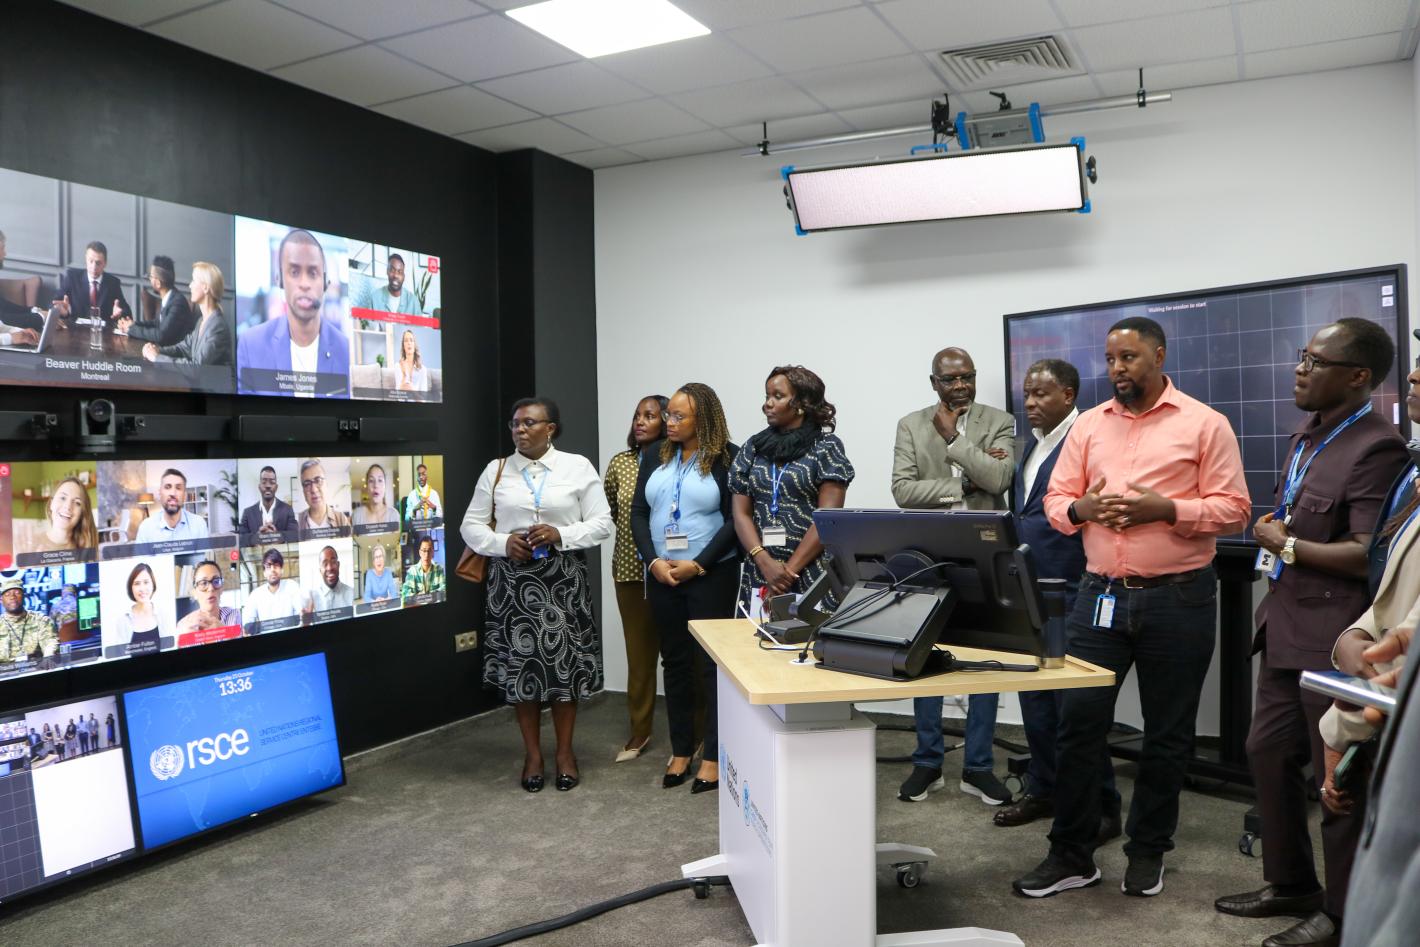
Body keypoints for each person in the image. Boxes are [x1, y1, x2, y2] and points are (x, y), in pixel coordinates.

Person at [1013, 315, 1251, 900]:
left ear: (1159, 357)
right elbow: (1056, 500)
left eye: (1129, 358)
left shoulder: (1205, 423)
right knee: (1078, 727)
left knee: (1167, 736)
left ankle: (1147, 853)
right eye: (1111, 359)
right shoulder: (1090, 426)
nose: (1117, 369)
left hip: (1179, 598)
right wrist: (1085, 509)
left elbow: (1234, 509)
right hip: (1099, 596)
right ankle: (1071, 853)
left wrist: (1166, 510)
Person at [1216, 319, 1407, 947]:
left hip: (1333, 635)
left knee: (1338, 778)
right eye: (1302, 357)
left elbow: (1361, 553)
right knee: (1267, 753)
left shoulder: (1376, 446)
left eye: (1314, 360)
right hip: (1284, 624)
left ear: (1357, 376)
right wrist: (1285, 535)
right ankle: (1290, 882)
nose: (1299, 369)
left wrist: (1287, 543)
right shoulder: (1311, 436)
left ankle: (1342, 913)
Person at [993, 360, 1122, 840]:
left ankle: (1104, 807)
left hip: (1073, 587)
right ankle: (1044, 788)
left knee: (1077, 712)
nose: (1029, 403)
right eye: (1027, 394)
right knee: (1037, 702)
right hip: (1031, 588)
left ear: (1068, 395)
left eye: (1041, 394)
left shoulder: (1087, 437)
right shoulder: (1032, 444)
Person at [461, 397, 612, 793]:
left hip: (563, 582)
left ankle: (564, 753)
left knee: (564, 672)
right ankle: (532, 754)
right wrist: (501, 542)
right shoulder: (496, 471)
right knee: (521, 674)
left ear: (551, 428)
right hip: (511, 584)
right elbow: (470, 527)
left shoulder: (577, 467)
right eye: (514, 424)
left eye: (529, 423)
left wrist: (562, 534)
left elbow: (602, 524)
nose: (520, 430)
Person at [892, 346, 1016, 807]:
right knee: (924, 656)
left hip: (987, 553)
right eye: (950, 380)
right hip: (932, 554)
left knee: (987, 657)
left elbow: (1000, 479)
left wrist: (955, 442)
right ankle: (928, 761)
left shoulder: (1000, 421)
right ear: (934, 384)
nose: (960, 386)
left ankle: (978, 768)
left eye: (967, 377)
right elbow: (903, 490)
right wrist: (968, 479)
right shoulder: (910, 424)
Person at [631, 383, 740, 795]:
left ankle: (713, 754)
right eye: (669, 416)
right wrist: (653, 561)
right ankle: (681, 749)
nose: (669, 423)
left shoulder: (728, 456)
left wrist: (699, 563)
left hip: (711, 574)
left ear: (703, 419)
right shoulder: (653, 455)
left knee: (711, 667)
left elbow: (735, 519)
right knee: (674, 663)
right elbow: (639, 513)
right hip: (662, 575)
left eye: (678, 417)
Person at [731, 365, 854, 615]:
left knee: (805, 649)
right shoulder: (753, 448)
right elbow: (741, 513)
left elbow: (827, 518)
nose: (768, 403)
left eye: (778, 396)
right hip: (760, 570)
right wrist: (763, 561)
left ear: (802, 403)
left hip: (811, 570)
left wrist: (787, 573)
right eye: (766, 396)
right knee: (750, 648)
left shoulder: (826, 448)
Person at [603, 394, 668, 762]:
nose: (640, 422)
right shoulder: (621, 464)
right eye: (637, 415)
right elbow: (615, 511)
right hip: (630, 570)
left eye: (650, 415)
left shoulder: (679, 461)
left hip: (676, 572)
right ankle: (640, 732)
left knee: (684, 657)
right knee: (640, 657)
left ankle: (696, 733)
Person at [235, 228, 349, 395]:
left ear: (325, 282)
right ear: (280, 280)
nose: (304, 283)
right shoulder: (251, 346)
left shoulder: (346, 351)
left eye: (313, 272)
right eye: (294, 272)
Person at [142, 261, 232, 366]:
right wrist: (156, 350)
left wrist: (157, 358)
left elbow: (197, 367)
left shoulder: (218, 327)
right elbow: (183, 348)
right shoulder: (202, 321)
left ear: (206, 288)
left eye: (194, 280)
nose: (190, 285)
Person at [49, 240, 131, 328]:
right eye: (90, 261)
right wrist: (65, 312)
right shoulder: (72, 278)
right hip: (76, 333)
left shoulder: (112, 283)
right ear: (86, 259)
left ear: (105, 263)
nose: (94, 267)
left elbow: (127, 314)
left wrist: (119, 314)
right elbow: (52, 306)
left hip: (103, 335)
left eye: (98, 263)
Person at [119, 254, 195, 346]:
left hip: (174, 355)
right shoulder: (169, 297)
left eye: (151, 277)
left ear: (158, 283)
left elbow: (161, 335)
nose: (149, 279)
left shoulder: (178, 303)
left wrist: (130, 329)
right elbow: (158, 323)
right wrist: (134, 324)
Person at [25, 476, 97, 554]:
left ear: (82, 512)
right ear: (51, 504)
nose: (68, 506)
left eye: (77, 503)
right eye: (62, 498)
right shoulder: (29, 545)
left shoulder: (91, 546)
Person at [135, 468, 208, 543]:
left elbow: (202, 555)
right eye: (167, 487)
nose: (173, 493)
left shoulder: (199, 524)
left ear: (185, 496)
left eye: (178, 488)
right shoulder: (146, 527)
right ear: (160, 493)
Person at [0, 575, 58, 666]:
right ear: (1, 600)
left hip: (35, 670)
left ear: (24, 596)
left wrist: (48, 658)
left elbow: (50, 642)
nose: (12, 597)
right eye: (7, 594)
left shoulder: (41, 620)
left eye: (17, 593)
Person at [241, 548, 304, 628]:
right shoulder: (256, 594)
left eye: (276, 566)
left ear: (282, 570)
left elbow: (302, 614)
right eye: (268, 566)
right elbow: (247, 622)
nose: (272, 570)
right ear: (264, 573)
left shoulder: (292, 586)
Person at [175, 560, 239, 636]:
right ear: (194, 592)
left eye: (216, 581)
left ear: (221, 588)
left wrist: (226, 633)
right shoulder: (183, 626)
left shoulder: (236, 616)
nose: (211, 588)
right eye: (203, 583)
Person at [119, 562, 167, 655]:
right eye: (137, 583)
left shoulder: (163, 615)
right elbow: (120, 657)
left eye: (146, 582)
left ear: (153, 585)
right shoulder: (122, 620)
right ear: (131, 588)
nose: (142, 588)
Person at [239, 465, 298, 540]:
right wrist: (256, 537)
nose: (268, 485)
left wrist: (277, 536)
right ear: (259, 487)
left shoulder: (287, 509)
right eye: (264, 482)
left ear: (276, 487)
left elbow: (294, 535)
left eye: (272, 482)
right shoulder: (247, 513)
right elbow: (241, 538)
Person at [354, 252, 422, 316]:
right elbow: (367, 326)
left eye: (400, 272)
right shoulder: (374, 298)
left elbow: (420, 328)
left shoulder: (414, 302)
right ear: (387, 272)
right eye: (392, 270)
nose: (395, 275)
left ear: (404, 277)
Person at [297, 459, 350, 532]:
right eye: (307, 484)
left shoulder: (341, 519)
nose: (313, 490)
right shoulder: (297, 521)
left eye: (318, 480)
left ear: (326, 485)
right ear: (303, 491)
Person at [304, 545, 354, 613]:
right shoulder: (311, 598)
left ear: (338, 565)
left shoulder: (352, 594)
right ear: (320, 570)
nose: (329, 568)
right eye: (325, 564)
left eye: (333, 562)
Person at [351, 463, 399, 528]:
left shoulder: (394, 515)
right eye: (371, 481)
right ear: (367, 486)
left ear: (385, 486)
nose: (376, 485)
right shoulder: (357, 515)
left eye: (380, 480)